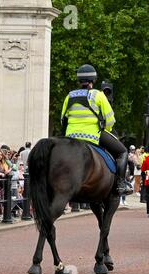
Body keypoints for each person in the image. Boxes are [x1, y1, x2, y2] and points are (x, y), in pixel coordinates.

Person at [60, 64, 132, 195]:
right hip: (92, 135)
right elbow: (110, 119)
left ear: (79, 80)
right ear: (93, 80)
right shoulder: (98, 95)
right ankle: (121, 184)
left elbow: (63, 119)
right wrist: (107, 129)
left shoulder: (69, 96)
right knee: (123, 152)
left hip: (71, 137)